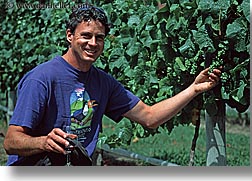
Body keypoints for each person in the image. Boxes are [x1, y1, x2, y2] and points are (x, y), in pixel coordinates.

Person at [3, 5, 221, 166]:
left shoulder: (103, 82)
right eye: (85, 36)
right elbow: (11, 141)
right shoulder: (42, 78)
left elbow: (150, 117)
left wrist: (193, 89)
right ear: (70, 36)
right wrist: (43, 142)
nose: (93, 43)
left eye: (100, 38)